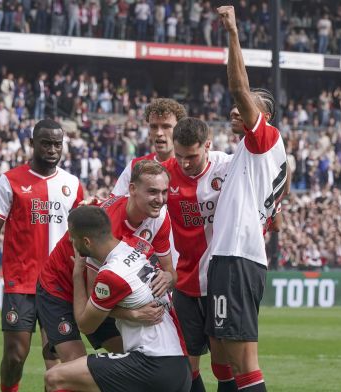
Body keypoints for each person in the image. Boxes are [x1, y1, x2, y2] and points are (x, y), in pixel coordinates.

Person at [205, 6, 289, 392]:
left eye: (247, 106)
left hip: (238, 257)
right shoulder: (247, 154)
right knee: (221, 355)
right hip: (232, 257)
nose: (236, 108)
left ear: (264, 115)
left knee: (242, 361)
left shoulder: (265, 139)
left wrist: (233, 34)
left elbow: (239, 87)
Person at [37, 159, 177, 362]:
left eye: (165, 192)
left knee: (131, 361)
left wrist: (168, 278)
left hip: (102, 296)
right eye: (153, 192)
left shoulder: (161, 217)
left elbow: (170, 272)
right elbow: (94, 297)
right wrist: (133, 314)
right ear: (132, 189)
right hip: (60, 286)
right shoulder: (108, 227)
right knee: (72, 371)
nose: (160, 199)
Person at [0, 118, 84, 392]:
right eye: (46, 143)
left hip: (59, 284)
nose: (52, 149)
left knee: (56, 357)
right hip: (21, 281)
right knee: (15, 355)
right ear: (32, 144)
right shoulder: (10, 180)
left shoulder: (72, 184)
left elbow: (81, 234)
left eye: (57, 144)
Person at [44, 206, 191, 392]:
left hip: (152, 364)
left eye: (72, 238)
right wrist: (132, 314)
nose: (71, 241)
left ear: (86, 242)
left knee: (55, 377)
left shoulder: (112, 275)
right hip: (177, 363)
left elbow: (85, 324)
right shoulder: (136, 247)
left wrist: (76, 273)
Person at [163, 117, 234, 392]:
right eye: (179, 156)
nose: (184, 163)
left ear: (207, 145)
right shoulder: (165, 173)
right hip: (186, 281)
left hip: (221, 280)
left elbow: (273, 166)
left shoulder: (228, 167)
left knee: (223, 360)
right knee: (186, 363)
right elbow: (132, 199)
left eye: (191, 156)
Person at [110, 98, 187, 197]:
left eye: (166, 126)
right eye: (154, 127)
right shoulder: (135, 166)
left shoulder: (191, 166)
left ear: (179, 129)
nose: (159, 133)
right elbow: (113, 203)